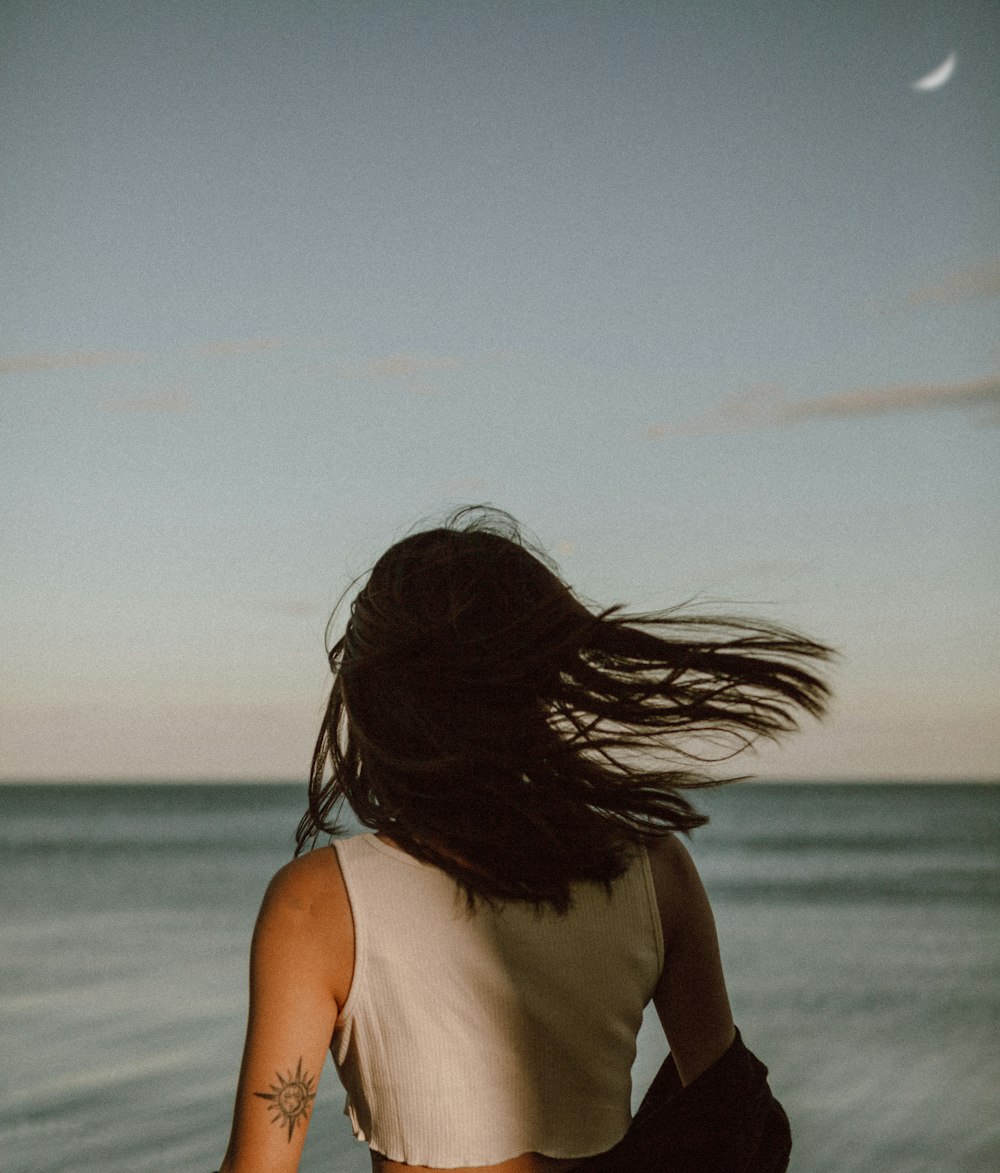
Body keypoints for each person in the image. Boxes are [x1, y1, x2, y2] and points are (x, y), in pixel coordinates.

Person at [217, 507, 831, 1173]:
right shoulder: (656, 871)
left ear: (374, 696)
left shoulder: (317, 905)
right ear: (536, 681)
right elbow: (733, 1130)